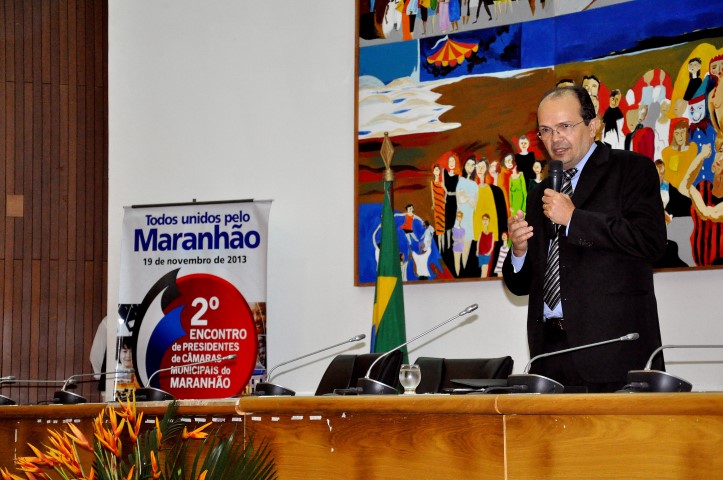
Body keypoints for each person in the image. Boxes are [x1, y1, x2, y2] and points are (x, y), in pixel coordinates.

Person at [502, 86, 667, 393]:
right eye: (546, 130)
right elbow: (521, 285)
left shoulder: (631, 169)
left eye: (565, 127)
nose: (555, 139)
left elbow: (650, 242)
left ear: (592, 126)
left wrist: (575, 219)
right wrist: (520, 250)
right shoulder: (541, 191)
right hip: (549, 353)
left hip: (613, 352)